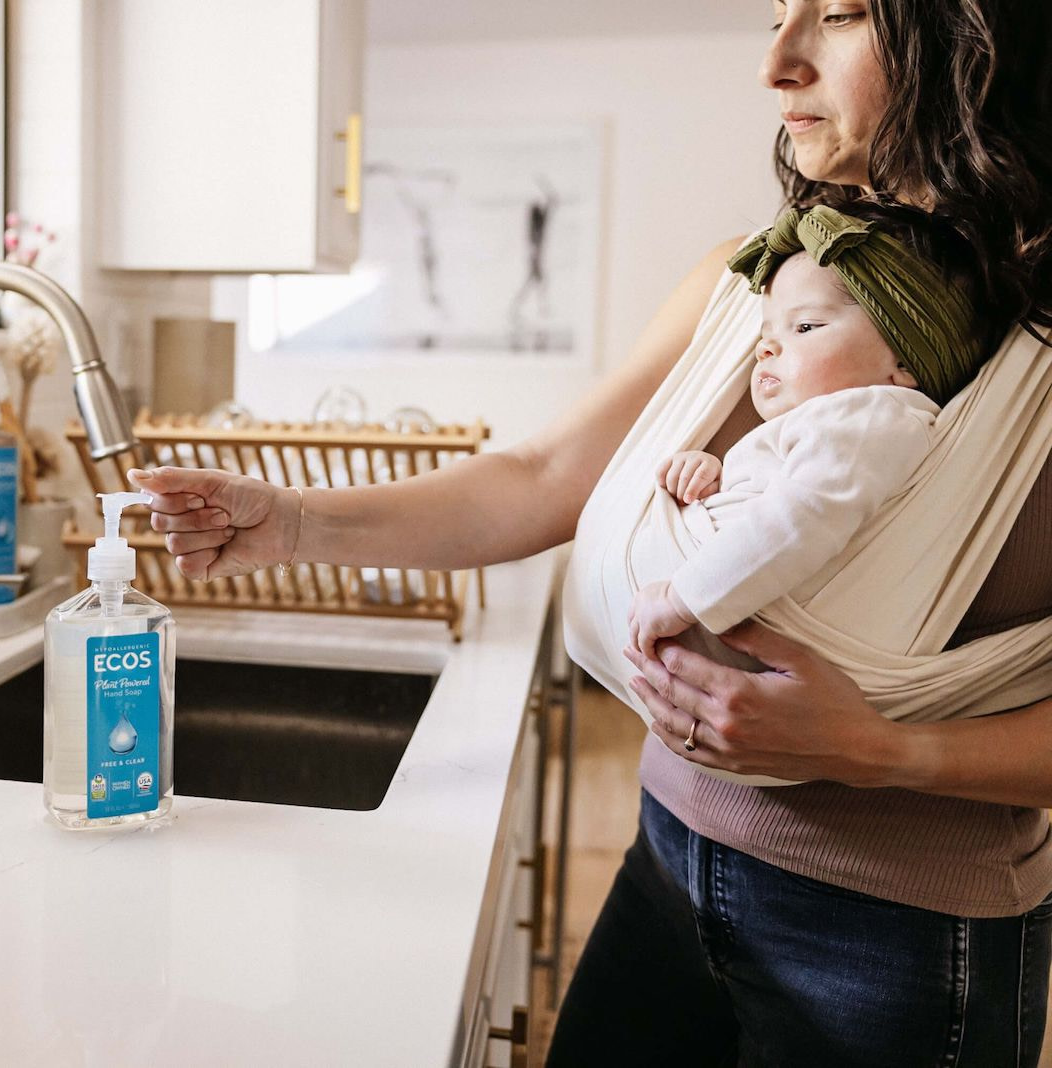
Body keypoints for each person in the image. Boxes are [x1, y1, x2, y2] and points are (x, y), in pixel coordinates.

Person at [128, 0, 1052, 1061]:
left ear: (975, 36)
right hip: (664, 858)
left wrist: (882, 753)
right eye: (773, 14)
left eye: (837, 14)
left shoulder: (1032, 361)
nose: (774, 62)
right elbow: (540, 477)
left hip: (902, 934)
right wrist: (290, 523)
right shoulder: (741, 283)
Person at [628, 201, 987, 663]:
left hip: (741, 640)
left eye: (805, 326)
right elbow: (781, 496)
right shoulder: (835, 424)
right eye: (766, 333)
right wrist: (715, 479)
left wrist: (683, 598)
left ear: (904, 361)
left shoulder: (873, 416)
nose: (767, 348)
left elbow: (801, 518)